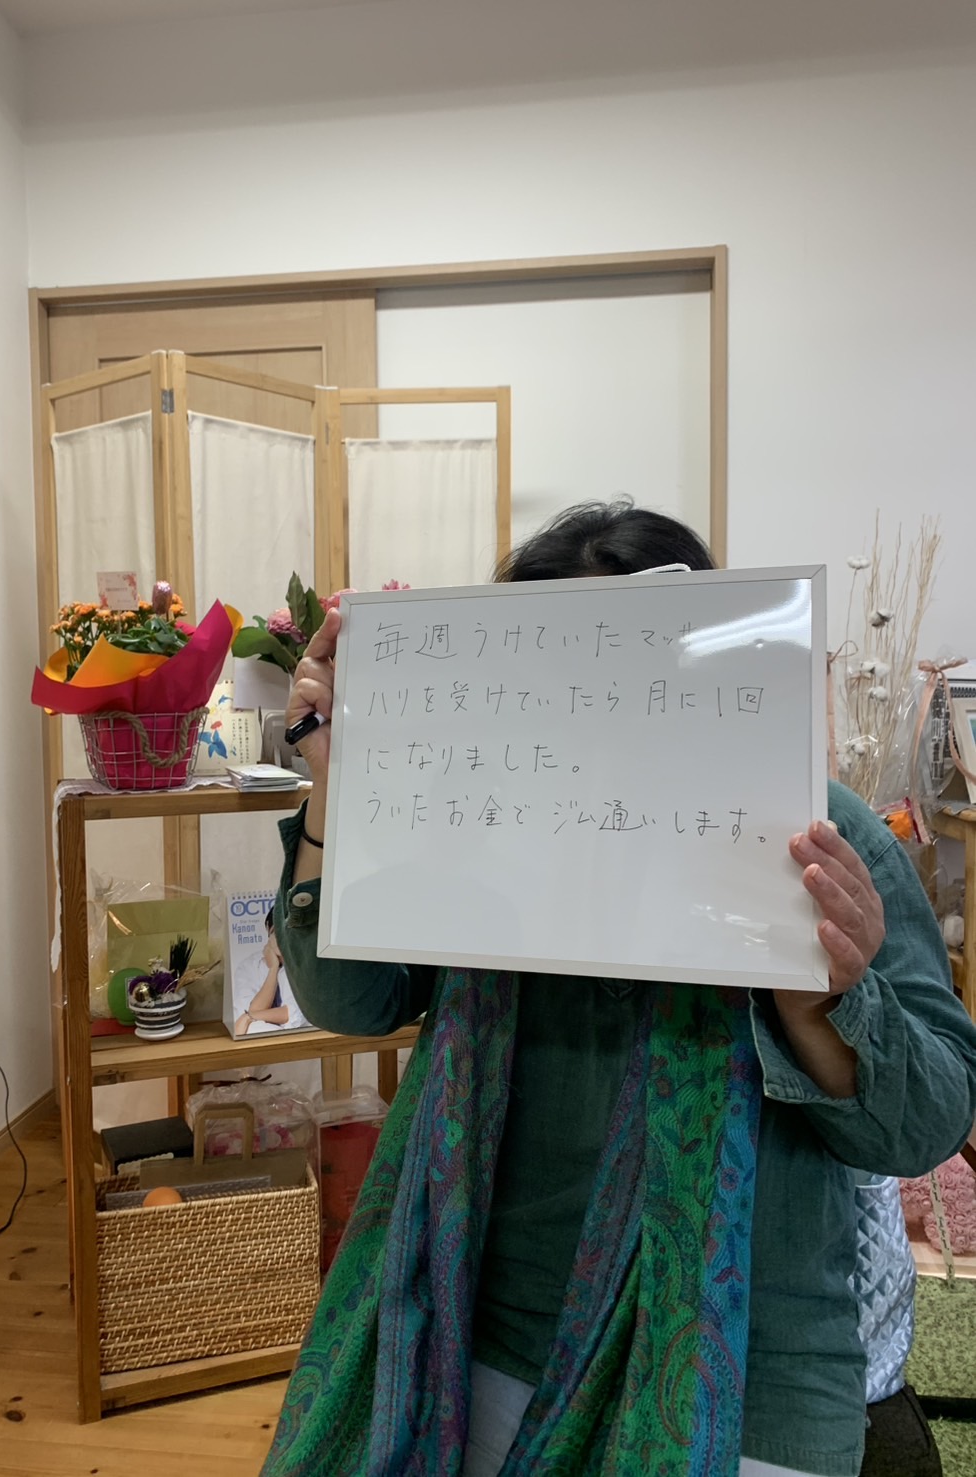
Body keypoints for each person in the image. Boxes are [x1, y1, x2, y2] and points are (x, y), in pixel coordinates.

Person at [260, 501, 976, 1477]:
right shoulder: (474, 822)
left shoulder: (820, 835)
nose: (593, 704)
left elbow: (927, 1123)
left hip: (747, 1374)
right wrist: (336, 786)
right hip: (485, 1337)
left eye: (627, 664)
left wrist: (828, 1001)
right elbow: (351, 1000)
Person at [230, 908, 305, 1036]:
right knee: (254, 1029)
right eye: (277, 932)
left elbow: (293, 1014)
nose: (284, 939)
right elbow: (247, 1015)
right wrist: (273, 969)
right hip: (265, 1036)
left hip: (301, 1036)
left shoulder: (304, 963)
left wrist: (250, 1016)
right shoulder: (248, 966)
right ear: (268, 929)